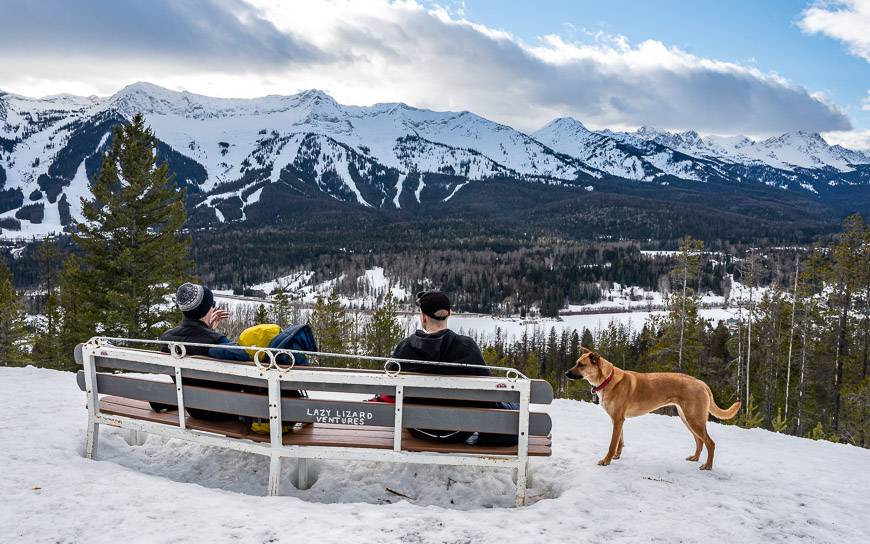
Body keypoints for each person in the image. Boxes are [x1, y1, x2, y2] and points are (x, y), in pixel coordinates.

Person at [381, 290, 518, 446]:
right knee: (516, 404)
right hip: (459, 431)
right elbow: (490, 391)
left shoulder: (405, 347)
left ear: (423, 317)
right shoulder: (467, 347)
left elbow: (389, 387)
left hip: (417, 427)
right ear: (449, 314)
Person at [150, 282, 249, 419]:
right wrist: (212, 334)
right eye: (211, 304)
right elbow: (246, 356)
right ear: (206, 309)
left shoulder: (166, 339)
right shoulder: (215, 342)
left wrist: (209, 330)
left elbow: (195, 342)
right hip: (223, 411)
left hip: (193, 408)